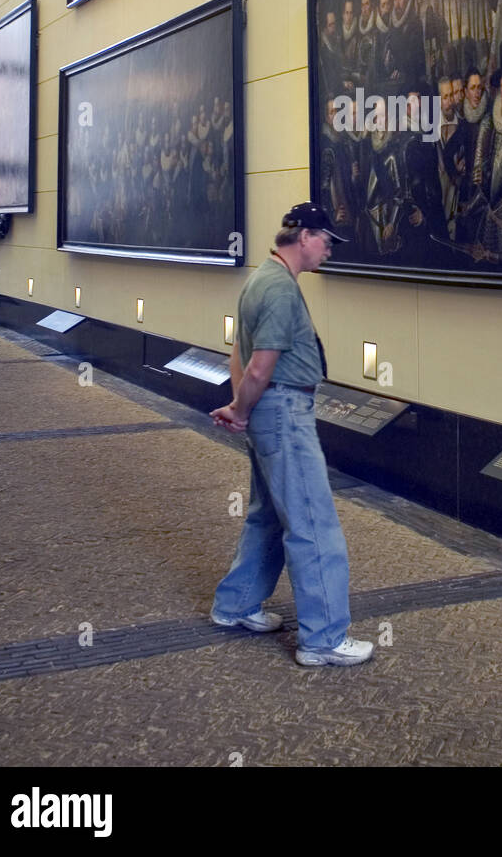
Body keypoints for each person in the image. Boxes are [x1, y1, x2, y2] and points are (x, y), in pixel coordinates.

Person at [210, 203, 373, 668]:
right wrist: (243, 408)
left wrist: (244, 409)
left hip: (267, 410)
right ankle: (323, 639)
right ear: (303, 236)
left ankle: (235, 605)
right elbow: (261, 364)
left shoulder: (260, 277)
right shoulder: (281, 289)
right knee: (312, 522)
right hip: (284, 412)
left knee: (266, 517)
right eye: (326, 241)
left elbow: (238, 355)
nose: (328, 251)